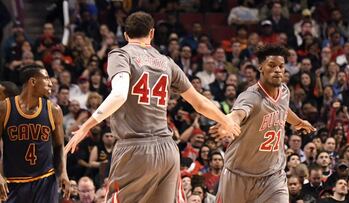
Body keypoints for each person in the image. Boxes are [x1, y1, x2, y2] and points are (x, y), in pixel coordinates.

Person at [65, 11, 240, 203]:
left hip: (135, 148)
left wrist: (86, 126)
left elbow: (119, 94)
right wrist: (226, 120)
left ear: (125, 35)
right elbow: (199, 102)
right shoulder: (166, 62)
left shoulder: (121, 54)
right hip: (167, 149)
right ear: (152, 33)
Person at [211, 44, 316, 203]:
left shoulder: (284, 91)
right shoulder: (251, 97)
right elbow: (238, 113)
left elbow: (283, 109)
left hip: (273, 175)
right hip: (239, 175)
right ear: (260, 67)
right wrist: (227, 123)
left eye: (281, 66)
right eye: (272, 66)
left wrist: (298, 122)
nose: (278, 70)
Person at [0, 64, 70, 202]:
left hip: (45, 181)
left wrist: (63, 173)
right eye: (46, 79)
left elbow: (59, 146)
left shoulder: (54, 110)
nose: (51, 84)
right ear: (33, 82)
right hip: (14, 182)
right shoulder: (5, 108)